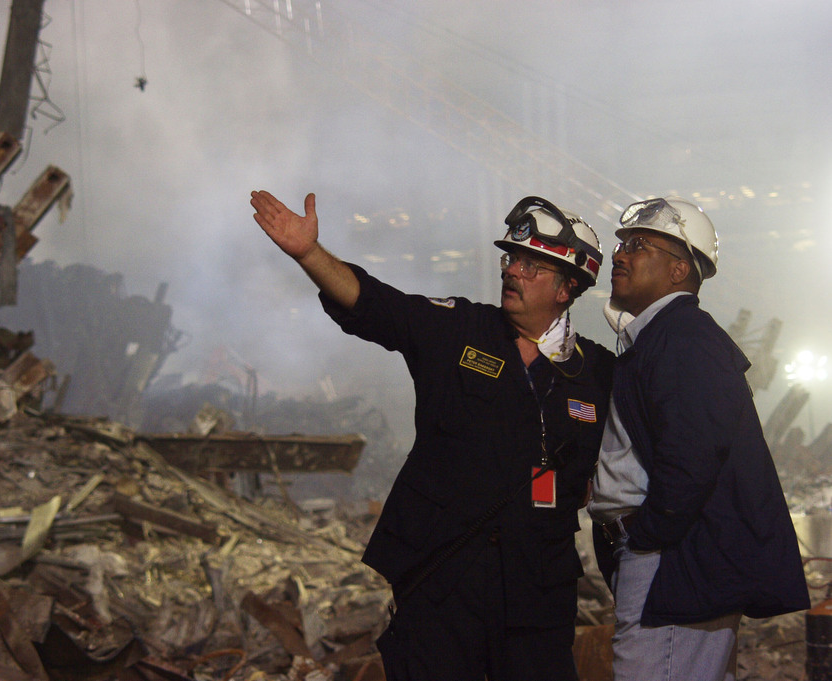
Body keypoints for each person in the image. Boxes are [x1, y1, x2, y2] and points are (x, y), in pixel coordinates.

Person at [251, 190, 614, 681]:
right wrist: (310, 254)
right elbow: (377, 305)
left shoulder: (599, 374)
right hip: (442, 581)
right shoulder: (459, 329)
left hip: (536, 591)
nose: (511, 271)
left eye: (531, 266)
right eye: (512, 259)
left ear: (567, 288)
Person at [587, 196, 810, 681]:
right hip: (666, 556)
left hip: (671, 560)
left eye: (640, 245)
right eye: (623, 243)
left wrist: (646, 536)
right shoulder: (660, 338)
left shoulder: (683, 336)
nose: (620, 255)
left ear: (678, 271)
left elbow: (693, 456)